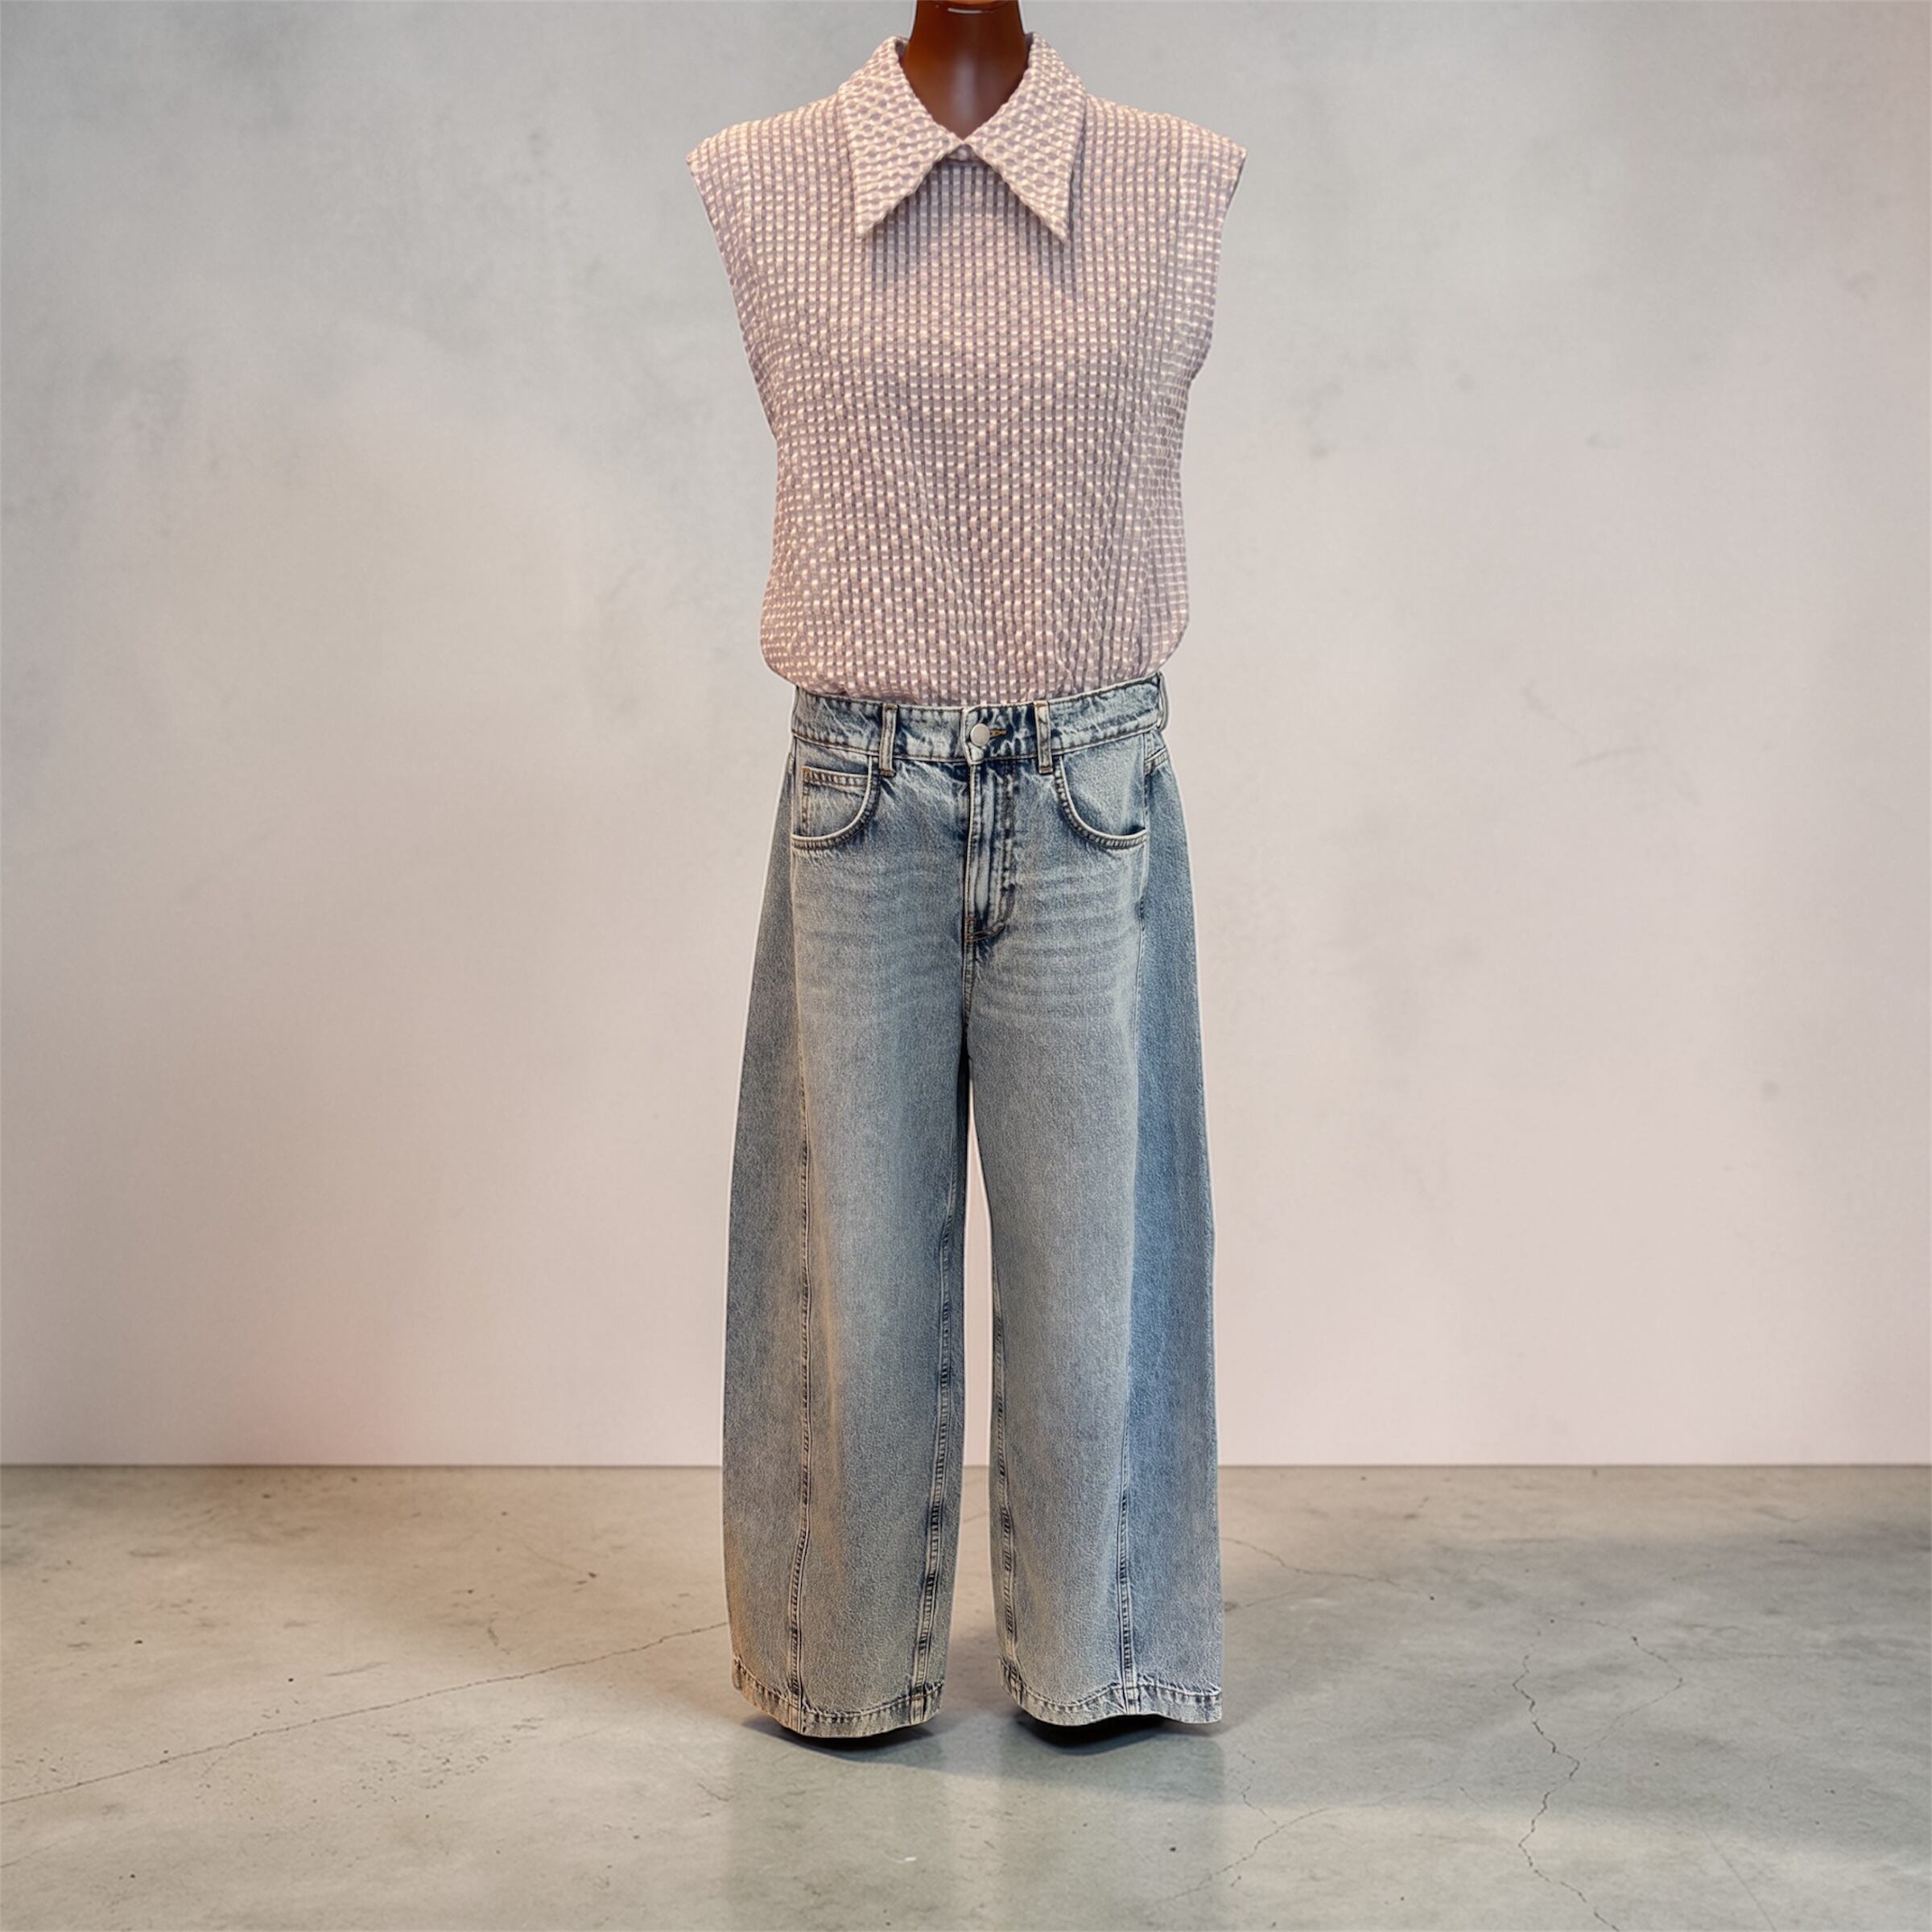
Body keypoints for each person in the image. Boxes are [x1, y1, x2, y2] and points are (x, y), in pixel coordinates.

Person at [685, 0, 1245, 1740]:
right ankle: (838, 1655)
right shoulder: (765, 177)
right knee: (846, 1277)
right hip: (859, 789)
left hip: (1090, 789)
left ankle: (1105, 1647)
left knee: (1100, 1285)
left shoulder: (1170, 180)